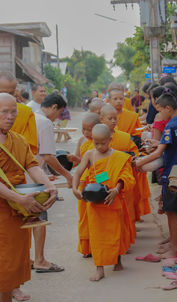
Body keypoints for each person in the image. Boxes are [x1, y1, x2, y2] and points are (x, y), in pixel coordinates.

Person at [0, 93, 57, 302]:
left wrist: (49, 185)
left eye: (13, 111)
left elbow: (31, 165)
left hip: (17, 212)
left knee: (12, 263)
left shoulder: (18, 139)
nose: (10, 116)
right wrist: (18, 197)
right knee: (3, 263)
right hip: (3, 209)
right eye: (4, 112)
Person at [72, 124, 135, 281]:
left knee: (116, 232)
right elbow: (78, 171)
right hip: (94, 201)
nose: (99, 146)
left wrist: (116, 189)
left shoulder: (119, 156)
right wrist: (74, 188)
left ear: (110, 139)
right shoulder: (89, 154)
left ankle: (117, 260)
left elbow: (126, 177)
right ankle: (99, 268)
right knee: (97, 235)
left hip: (112, 200)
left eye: (103, 143)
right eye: (96, 142)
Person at [135, 92, 177, 259]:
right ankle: (174, 244)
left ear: (168, 108)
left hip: (172, 174)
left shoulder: (170, 126)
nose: (158, 115)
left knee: (172, 212)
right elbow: (169, 146)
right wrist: (159, 143)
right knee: (175, 211)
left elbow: (158, 154)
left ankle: (174, 247)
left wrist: (138, 163)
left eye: (159, 111)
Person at [32, 93, 73, 273]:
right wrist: (68, 175)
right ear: (54, 107)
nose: (58, 117)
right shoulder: (44, 122)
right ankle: (40, 259)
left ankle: (29, 258)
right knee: (39, 219)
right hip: (33, 178)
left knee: (26, 219)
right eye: (59, 112)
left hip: (24, 175)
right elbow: (48, 156)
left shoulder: (29, 115)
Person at [107, 87, 151, 221]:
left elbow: (137, 135)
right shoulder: (104, 117)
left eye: (121, 98)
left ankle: (133, 216)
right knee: (110, 186)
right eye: (115, 99)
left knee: (131, 190)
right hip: (110, 161)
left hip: (128, 157)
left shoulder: (132, 116)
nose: (119, 101)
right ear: (109, 100)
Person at [100, 104, 138, 238]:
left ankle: (124, 240)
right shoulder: (97, 139)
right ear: (101, 119)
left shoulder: (124, 137)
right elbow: (92, 167)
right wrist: (105, 179)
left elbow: (134, 154)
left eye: (115, 118)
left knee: (124, 213)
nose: (113, 121)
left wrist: (129, 159)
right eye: (110, 118)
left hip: (122, 183)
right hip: (103, 182)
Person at [68, 113, 100, 257]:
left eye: (89, 129)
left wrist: (97, 179)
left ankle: (96, 246)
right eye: (84, 129)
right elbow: (77, 163)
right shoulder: (82, 140)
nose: (86, 133)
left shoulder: (100, 143)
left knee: (95, 218)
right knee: (83, 218)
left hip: (95, 185)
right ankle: (86, 248)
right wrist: (73, 159)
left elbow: (105, 167)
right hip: (82, 184)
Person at [0, 72, 38, 155]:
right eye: (2, 93)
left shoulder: (25, 112)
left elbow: (29, 149)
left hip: (15, 163)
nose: (7, 96)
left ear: (15, 92)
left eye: (11, 93)